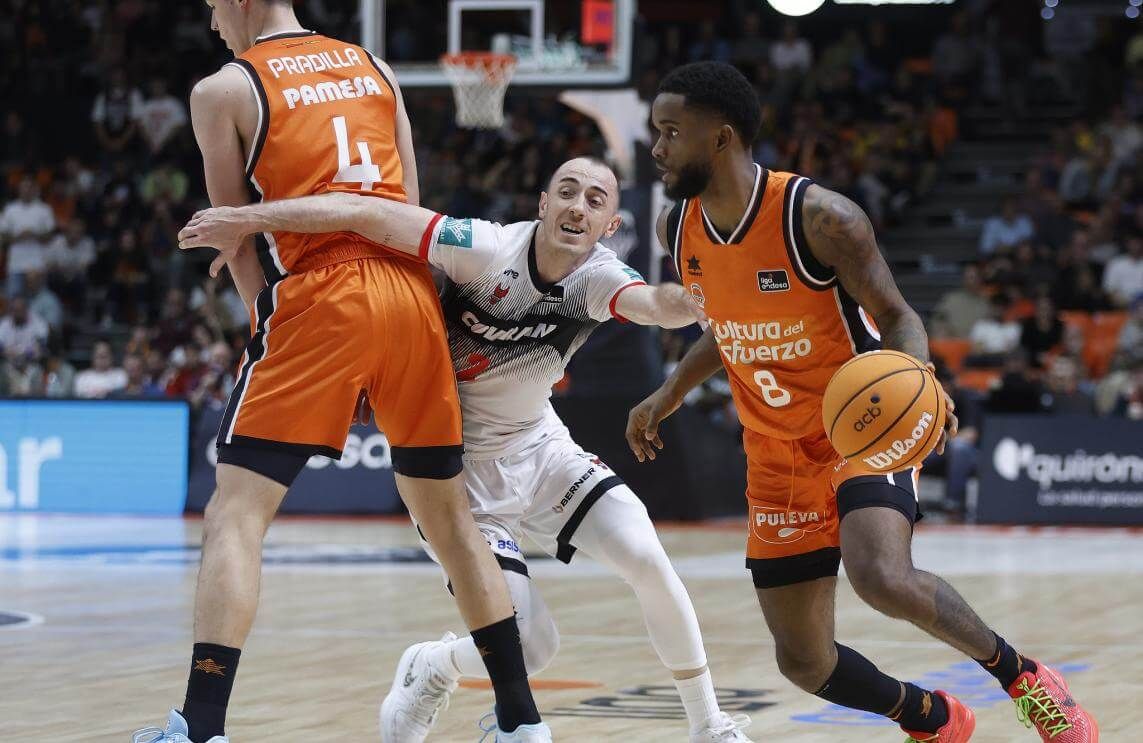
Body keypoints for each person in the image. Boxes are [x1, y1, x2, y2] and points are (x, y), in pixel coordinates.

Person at [180, 156, 754, 743]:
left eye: (595, 200)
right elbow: (363, 211)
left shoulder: (599, 278)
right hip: (458, 479)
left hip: (541, 447)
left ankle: (710, 726)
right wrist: (247, 219)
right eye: (567, 192)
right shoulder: (482, 248)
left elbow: (656, 304)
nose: (578, 206)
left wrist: (704, 300)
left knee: (648, 558)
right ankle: (433, 665)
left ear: (610, 225)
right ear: (543, 203)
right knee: (531, 648)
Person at [627, 62, 1097, 743]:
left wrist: (918, 380)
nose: (657, 147)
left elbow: (898, 313)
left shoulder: (820, 217)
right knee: (804, 661)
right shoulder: (679, 229)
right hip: (773, 452)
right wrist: (669, 389)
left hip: (859, 426)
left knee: (878, 574)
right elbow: (723, 327)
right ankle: (930, 716)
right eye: (655, 132)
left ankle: (1022, 676)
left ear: (721, 138)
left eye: (670, 132)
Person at [133, 2, 546, 742]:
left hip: (321, 292)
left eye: (211, 6)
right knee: (451, 521)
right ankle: (520, 721)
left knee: (236, 510)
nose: (209, 20)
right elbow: (410, 214)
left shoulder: (223, 90)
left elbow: (235, 237)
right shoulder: (377, 69)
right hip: (410, 298)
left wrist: (273, 324)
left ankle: (198, 727)